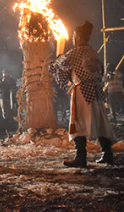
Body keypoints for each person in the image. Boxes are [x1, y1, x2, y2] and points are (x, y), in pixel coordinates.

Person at [49, 21, 115, 167]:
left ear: (78, 36)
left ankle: (81, 158)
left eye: (73, 35)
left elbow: (60, 65)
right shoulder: (93, 52)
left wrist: (57, 58)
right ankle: (107, 154)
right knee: (100, 123)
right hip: (97, 92)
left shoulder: (76, 52)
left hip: (83, 92)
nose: (72, 38)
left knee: (79, 123)